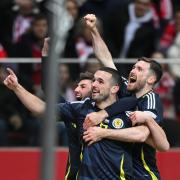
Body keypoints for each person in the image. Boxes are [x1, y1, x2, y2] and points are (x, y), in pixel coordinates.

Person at [4, 66, 139, 179]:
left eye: (100, 82)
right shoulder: (80, 108)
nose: (94, 85)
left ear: (114, 89)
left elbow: (143, 135)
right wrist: (17, 87)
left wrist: (105, 133)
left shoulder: (128, 112)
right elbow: (41, 109)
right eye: (94, 81)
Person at [83, 14, 169, 179]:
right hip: (122, 173)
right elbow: (105, 59)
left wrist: (102, 132)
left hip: (144, 175)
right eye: (133, 67)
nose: (132, 71)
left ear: (151, 79)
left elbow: (142, 134)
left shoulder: (150, 100)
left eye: (139, 69)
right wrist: (93, 30)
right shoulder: (124, 89)